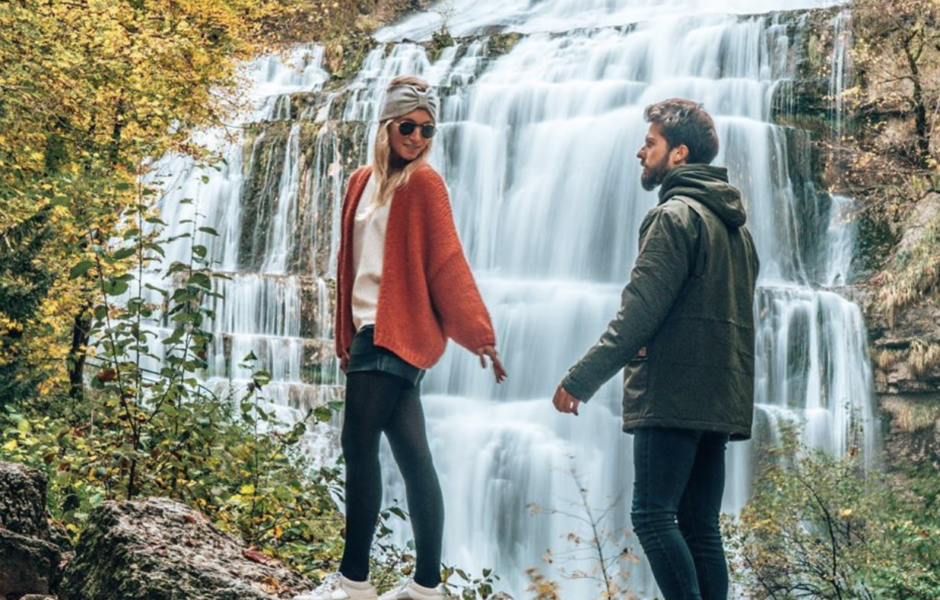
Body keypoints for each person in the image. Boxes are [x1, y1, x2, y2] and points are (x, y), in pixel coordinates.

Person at [299, 76, 507, 600]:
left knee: (357, 445)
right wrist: (344, 333)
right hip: (369, 328)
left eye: (426, 129)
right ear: (386, 125)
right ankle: (426, 586)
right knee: (414, 456)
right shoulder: (360, 181)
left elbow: (446, 261)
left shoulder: (424, 184)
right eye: (407, 126)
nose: (416, 137)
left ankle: (353, 582)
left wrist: (478, 333)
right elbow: (347, 264)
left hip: (396, 331)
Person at [551, 98, 760, 600]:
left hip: (671, 393)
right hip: (720, 394)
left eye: (651, 144)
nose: (639, 153)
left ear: (679, 154)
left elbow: (640, 313)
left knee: (651, 515)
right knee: (700, 526)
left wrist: (579, 379)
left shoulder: (674, 218)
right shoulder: (737, 231)